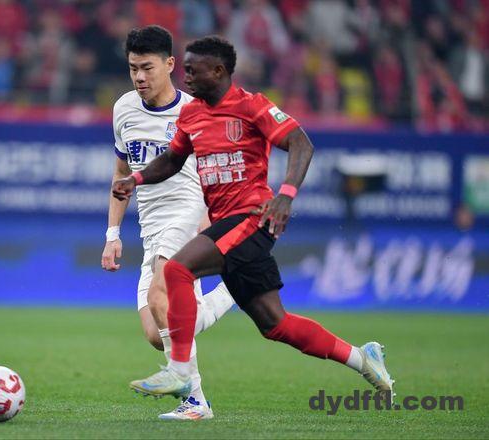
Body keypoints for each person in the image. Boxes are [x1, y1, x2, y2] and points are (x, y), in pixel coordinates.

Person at [112, 36, 394, 400]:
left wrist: (286, 195)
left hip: (253, 217)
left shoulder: (251, 106)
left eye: (193, 70)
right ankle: (362, 358)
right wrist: (135, 179)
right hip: (225, 224)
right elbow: (171, 160)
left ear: (218, 71)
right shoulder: (192, 114)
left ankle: (180, 372)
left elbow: (301, 143)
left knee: (177, 270)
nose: (187, 77)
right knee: (275, 324)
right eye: (186, 69)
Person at [101, 26, 236, 420]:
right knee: (157, 333)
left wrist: (209, 219)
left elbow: (217, 173)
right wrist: (112, 234)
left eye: (147, 68)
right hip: (151, 227)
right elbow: (121, 174)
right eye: (133, 69)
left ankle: (196, 401)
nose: (139, 77)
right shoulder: (124, 109)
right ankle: (232, 292)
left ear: (170, 65)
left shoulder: (195, 111)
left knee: (162, 300)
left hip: (187, 213)